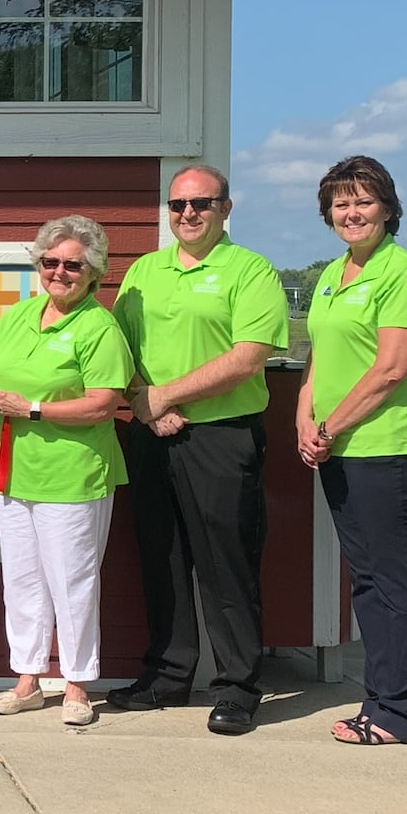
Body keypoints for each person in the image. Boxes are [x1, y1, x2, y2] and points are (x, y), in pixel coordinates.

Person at [109, 166, 291, 736]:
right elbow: (121, 347)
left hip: (220, 435)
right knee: (160, 557)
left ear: (225, 208)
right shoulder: (144, 271)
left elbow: (247, 357)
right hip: (150, 432)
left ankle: (237, 687)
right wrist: (148, 404)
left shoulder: (250, 270)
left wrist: (166, 395)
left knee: (225, 565)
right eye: (178, 205)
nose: (188, 214)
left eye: (201, 204)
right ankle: (167, 676)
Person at [297, 155, 407, 748]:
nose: (351, 213)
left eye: (363, 201)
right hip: (338, 448)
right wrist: (304, 418)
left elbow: (390, 370)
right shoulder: (335, 273)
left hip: (383, 447)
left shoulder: (402, 273)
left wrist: (328, 427)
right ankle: (378, 700)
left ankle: (403, 713)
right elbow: (318, 359)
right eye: (340, 203)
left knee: (395, 580)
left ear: (387, 208)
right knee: (366, 581)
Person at [0, 215, 134, 727]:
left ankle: (78, 685)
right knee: (22, 580)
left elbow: (106, 403)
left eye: (73, 265)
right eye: (51, 262)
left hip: (74, 474)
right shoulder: (18, 316)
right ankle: (27, 680)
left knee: (73, 581)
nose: (60, 272)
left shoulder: (98, 326)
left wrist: (33, 409)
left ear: (93, 272)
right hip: (15, 469)